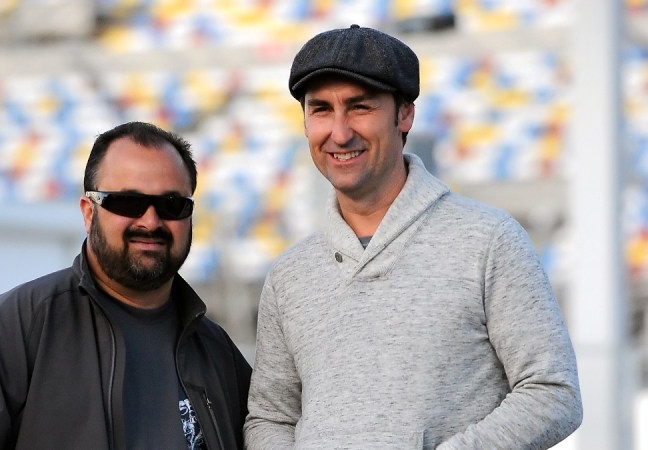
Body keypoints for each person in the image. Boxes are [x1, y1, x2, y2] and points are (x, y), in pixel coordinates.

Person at [244, 25, 582, 449]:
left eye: (359, 107)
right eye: (322, 110)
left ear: (405, 114)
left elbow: (553, 393)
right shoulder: (289, 276)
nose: (340, 131)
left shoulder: (489, 240)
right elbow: (270, 418)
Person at [0, 121, 252, 450]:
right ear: (89, 212)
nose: (151, 221)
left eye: (171, 205)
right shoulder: (21, 325)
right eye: (128, 202)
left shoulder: (216, 351)